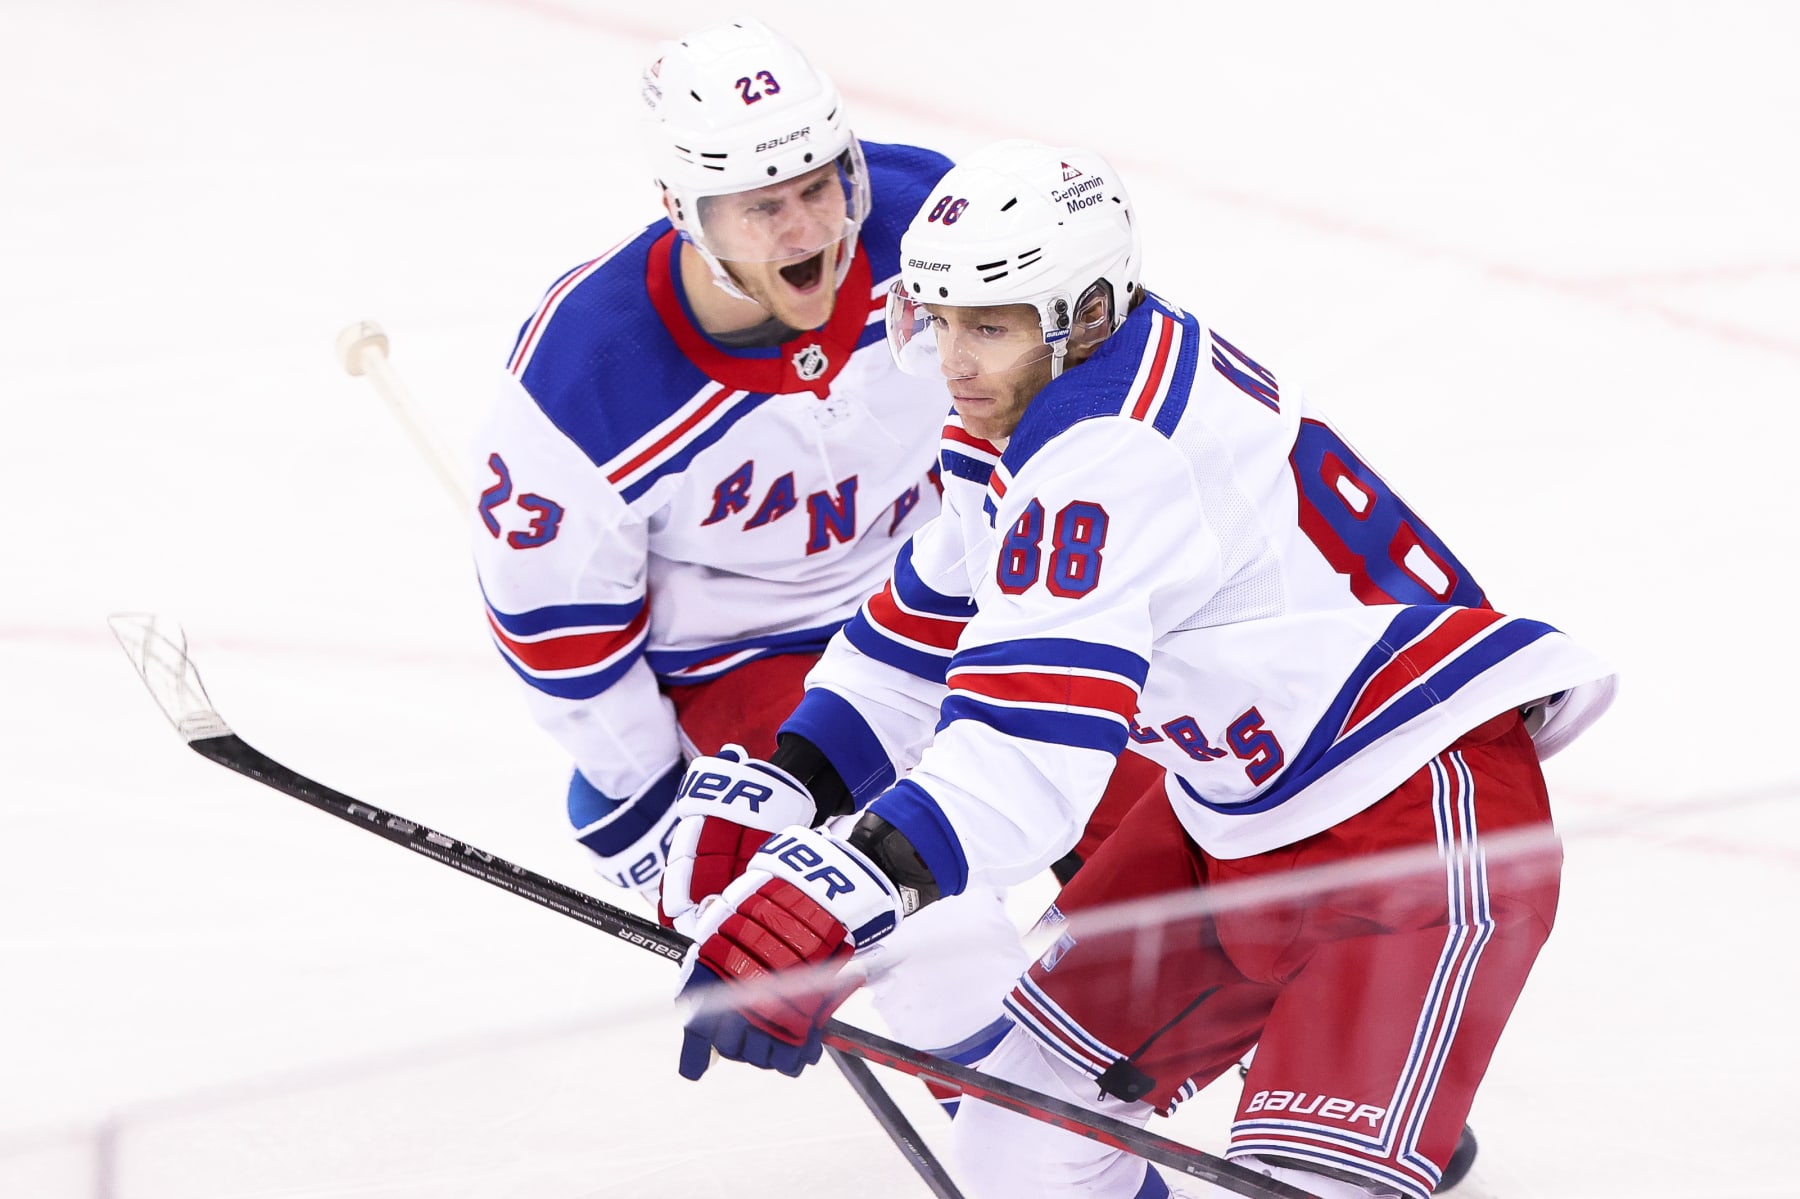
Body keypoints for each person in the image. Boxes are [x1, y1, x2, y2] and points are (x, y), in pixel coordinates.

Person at [668, 139, 1617, 1199]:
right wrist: (794, 778)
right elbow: (918, 636)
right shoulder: (1039, 405)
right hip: (1230, 813)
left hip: (1399, 827)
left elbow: (1029, 753)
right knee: (1023, 1139)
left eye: (990, 325)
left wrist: (839, 890)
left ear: (1086, 309)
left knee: (1301, 1187)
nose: (955, 363)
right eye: (939, 322)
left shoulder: (1111, 452)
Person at [471, 19, 1167, 1086]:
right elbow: (558, 632)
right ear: (682, 212)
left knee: (1141, 789)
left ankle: (1189, 1043)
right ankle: (1019, 1115)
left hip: (948, 582)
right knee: (896, 895)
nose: (809, 225)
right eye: (762, 204)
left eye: (821, 181)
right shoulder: (584, 372)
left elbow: (1068, 392)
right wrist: (648, 796)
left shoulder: (926, 222)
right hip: (745, 658)